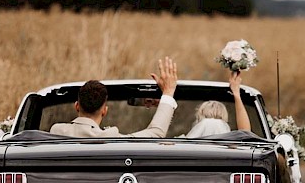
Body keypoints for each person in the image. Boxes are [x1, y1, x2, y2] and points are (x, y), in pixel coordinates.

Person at [50, 57, 179, 137]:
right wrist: (168, 92)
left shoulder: (56, 131)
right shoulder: (109, 137)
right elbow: (155, 133)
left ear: (77, 106)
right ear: (104, 111)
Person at [183, 69, 252, 137]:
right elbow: (245, 133)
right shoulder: (231, 144)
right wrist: (236, 94)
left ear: (199, 118)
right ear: (224, 118)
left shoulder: (183, 145)